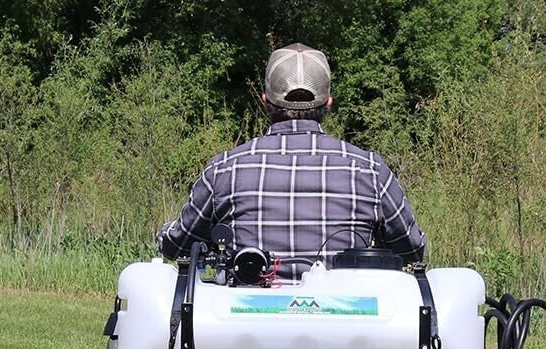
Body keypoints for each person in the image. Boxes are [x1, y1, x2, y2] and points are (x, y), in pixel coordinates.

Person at [157, 43, 425, 275]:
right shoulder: (370, 169)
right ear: (328, 104)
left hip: (241, 330)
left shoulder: (225, 168)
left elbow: (179, 245)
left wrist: (163, 232)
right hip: (347, 329)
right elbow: (412, 249)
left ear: (265, 101)